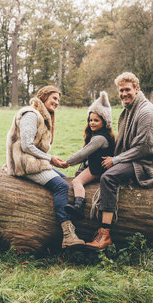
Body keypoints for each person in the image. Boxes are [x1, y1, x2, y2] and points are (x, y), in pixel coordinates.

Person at [86, 72, 153, 249]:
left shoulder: (146, 112)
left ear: (137, 89)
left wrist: (116, 160)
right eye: (121, 90)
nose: (123, 94)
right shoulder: (128, 110)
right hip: (131, 158)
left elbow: (145, 148)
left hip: (144, 163)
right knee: (96, 169)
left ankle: (105, 233)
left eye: (127, 89)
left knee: (108, 177)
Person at [4, 85, 85, 249]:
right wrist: (51, 158)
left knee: (64, 179)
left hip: (33, 161)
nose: (56, 102)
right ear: (44, 96)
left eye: (58, 100)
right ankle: (68, 234)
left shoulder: (42, 116)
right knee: (61, 186)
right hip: (24, 163)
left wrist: (51, 160)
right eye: (54, 98)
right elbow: (26, 146)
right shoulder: (31, 114)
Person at [63, 91, 116, 220]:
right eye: (90, 120)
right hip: (94, 166)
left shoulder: (99, 139)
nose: (92, 123)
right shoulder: (98, 135)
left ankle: (79, 206)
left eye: (96, 120)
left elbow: (83, 153)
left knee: (77, 181)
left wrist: (68, 162)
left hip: (97, 168)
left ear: (104, 121)